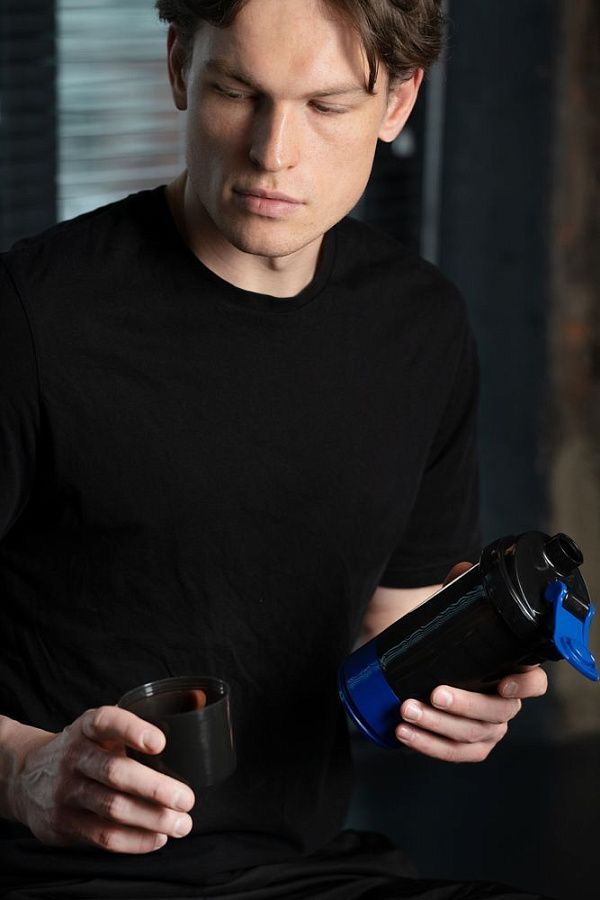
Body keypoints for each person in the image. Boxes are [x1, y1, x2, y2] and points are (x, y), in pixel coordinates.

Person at [0, 1, 552, 898]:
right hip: (51, 868)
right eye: (236, 91)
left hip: (295, 870)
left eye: (326, 105)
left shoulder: (419, 326)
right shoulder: (34, 315)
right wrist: (23, 770)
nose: (273, 152)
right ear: (179, 67)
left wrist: (460, 687)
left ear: (398, 101)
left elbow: (396, 630)